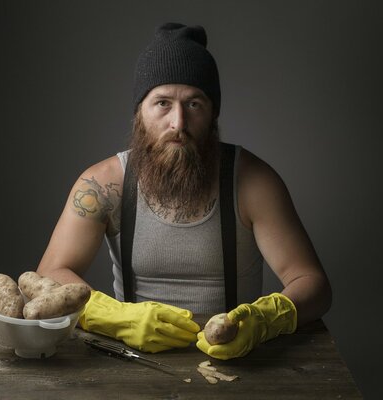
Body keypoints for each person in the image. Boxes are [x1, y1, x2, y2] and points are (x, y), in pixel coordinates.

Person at [36, 22, 332, 359]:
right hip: (130, 359)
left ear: (212, 114)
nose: (178, 123)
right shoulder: (104, 183)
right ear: (139, 113)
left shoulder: (253, 182)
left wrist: (263, 321)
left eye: (194, 104)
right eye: (162, 103)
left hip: (234, 360)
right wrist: (113, 317)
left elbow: (314, 284)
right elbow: (49, 272)